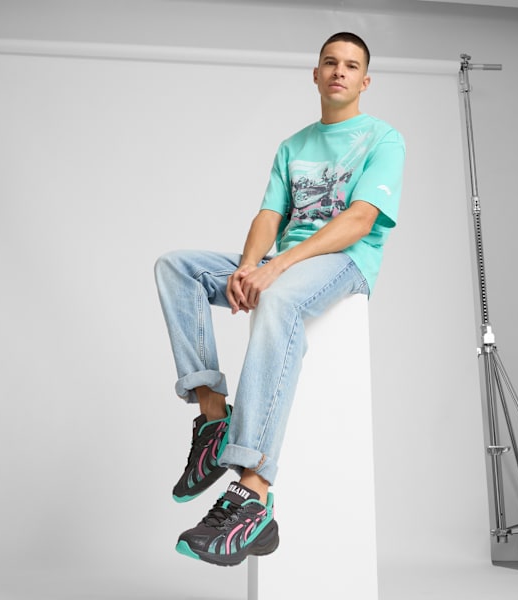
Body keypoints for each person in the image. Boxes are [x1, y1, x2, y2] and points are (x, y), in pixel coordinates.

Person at [154, 31, 405, 567]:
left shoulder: (383, 140)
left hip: (344, 263)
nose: (339, 71)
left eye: (351, 65)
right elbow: (270, 214)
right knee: (177, 268)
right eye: (330, 62)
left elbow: (361, 220)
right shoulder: (293, 146)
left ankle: (253, 489)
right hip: (285, 262)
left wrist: (279, 268)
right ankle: (213, 416)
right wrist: (250, 265)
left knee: (278, 300)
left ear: (365, 81)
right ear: (315, 74)